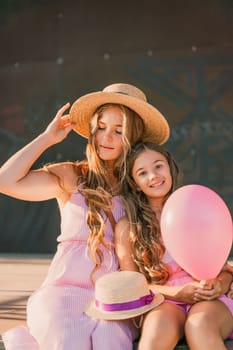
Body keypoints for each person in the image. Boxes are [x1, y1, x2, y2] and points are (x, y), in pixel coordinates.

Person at [0, 83, 170, 350]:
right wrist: (47, 138)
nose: (107, 137)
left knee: (110, 342)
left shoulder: (139, 189)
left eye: (118, 130)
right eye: (101, 127)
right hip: (62, 293)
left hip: (115, 299)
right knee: (69, 342)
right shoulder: (72, 177)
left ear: (133, 136)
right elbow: (5, 181)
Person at [115, 141, 233, 350]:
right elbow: (130, 286)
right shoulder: (128, 227)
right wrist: (177, 293)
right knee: (155, 332)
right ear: (134, 183)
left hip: (210, 299)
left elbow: (223, 269)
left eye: (159, 166)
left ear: (169, 167)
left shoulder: (194, 205)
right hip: (165, 300)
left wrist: (220, 285)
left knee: (199, 326)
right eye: (142, 173)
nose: (153, 176)